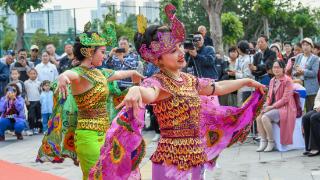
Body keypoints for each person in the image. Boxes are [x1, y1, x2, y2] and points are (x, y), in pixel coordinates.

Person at [89, 5, 265, 179]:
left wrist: (246, 81)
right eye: (173, 50)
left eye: (180, 47)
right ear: (158, 59)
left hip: (196, 155)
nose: (181, 52)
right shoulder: (157, 81)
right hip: (171, 159)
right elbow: (149, 93)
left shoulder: (189, 80)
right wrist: (136, 89)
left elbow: (217, 88)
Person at [37, 31, 144, 179]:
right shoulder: (80, 74)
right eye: (102, 52)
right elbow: (70, 74)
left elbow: (118, 74)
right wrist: (62, 76)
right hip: (87, 136)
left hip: (105, 134)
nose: (105, 55)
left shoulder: (100, 73)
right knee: (97, 176)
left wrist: (133, 72)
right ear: (89, 52)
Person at [256, 61, 297, 152]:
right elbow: (269, 96)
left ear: (283, 68)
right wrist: (266, 104)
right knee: (258, 117)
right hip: (274, 106)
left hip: (286, 107)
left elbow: (285, 99)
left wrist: (271, 107)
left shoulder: (288, 80)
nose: (276, 69)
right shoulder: (272, 80)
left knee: (265, 117)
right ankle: (263, 141)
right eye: (274, 67)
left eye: (278, 67)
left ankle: (271, 142)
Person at [292, 38, 319, 112]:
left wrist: (303, 71)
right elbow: (293, 71)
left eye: (307, 45)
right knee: (299, 108)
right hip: (299, 85)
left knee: (310, 109)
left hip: (311, 88)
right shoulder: (298, 57)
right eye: (303, 45)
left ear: (311, 47)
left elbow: (314, 73)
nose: (305, 47)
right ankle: (301, 123)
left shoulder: (315, 58)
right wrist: (296, 72)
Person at [235, 40, 255, 106]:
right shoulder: (239, 58)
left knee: (245, 106)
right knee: (240, 105)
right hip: (240, 86)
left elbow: (247, 75)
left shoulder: (248, 59)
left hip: (247, 88)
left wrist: (236, 74)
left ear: (240, 49)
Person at [302, 87, 320, 157]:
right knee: (305, 117)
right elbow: (317, 98)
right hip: (318, 108)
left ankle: (316, 147)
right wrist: (318, 106)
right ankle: (309, 147)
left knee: (314, 117)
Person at [24, 68, 42, 135]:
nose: (33, 75)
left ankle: (37, 128)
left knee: (38, 115)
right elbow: (24, 92)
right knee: (31, 116)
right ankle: (31, 128)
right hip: (30, 101)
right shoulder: (26, 83)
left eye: (34, 73)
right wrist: (26, 100)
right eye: (31, 74)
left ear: (36, 74)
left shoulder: (39, 83)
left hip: (38, 101)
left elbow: (41, 92)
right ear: (28, 74)